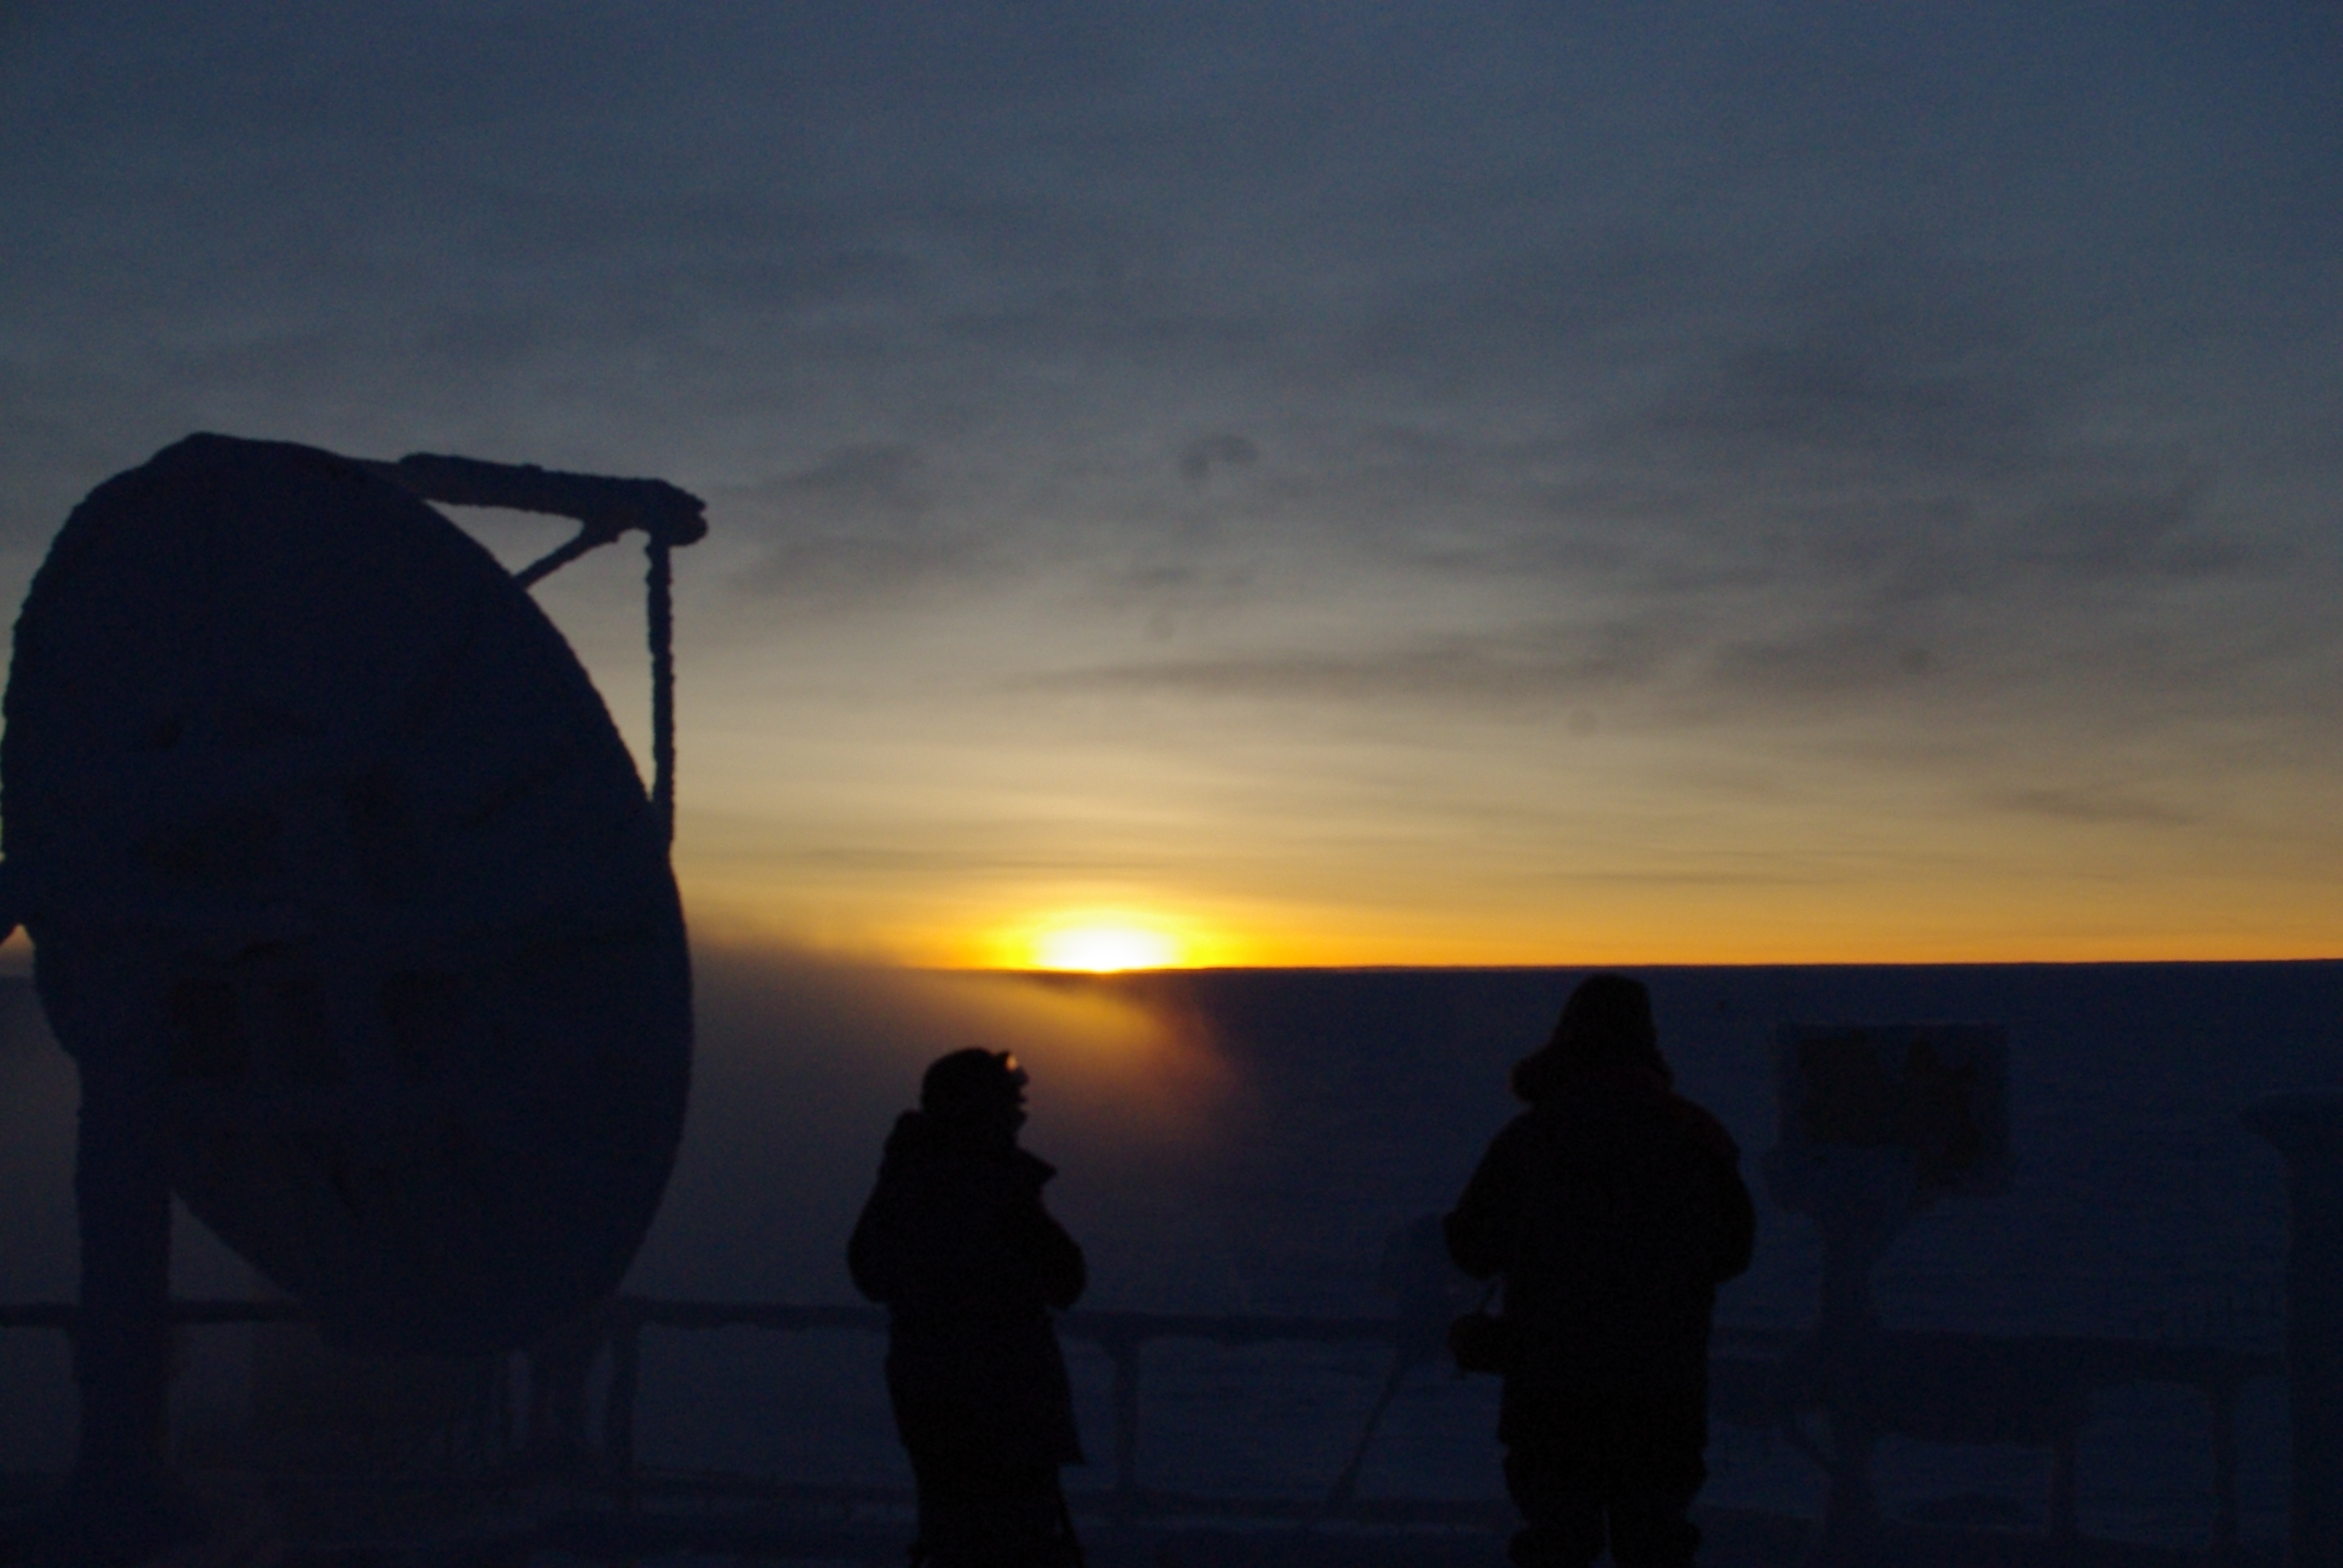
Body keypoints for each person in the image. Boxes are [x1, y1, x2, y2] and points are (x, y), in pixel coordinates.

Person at [1444, 974, 1756, 1568]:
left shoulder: (1532, 1136)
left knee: (1557, 1546)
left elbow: (1472, 1244)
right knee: (1656, 1545)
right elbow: (1732, 1252)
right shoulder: (1693, 1135)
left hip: (1550, 1393)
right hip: (1661, 1392)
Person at [849, 1048, 1087, 1568]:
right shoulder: (993, 1183)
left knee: (952, 1537)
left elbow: (867, 1273)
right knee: (1014, 1542)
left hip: (928, 1395)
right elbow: (1066, 1279)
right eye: (1009, 1109)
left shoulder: (907, 1176)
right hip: (1005, 1404)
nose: (1015, 1122)